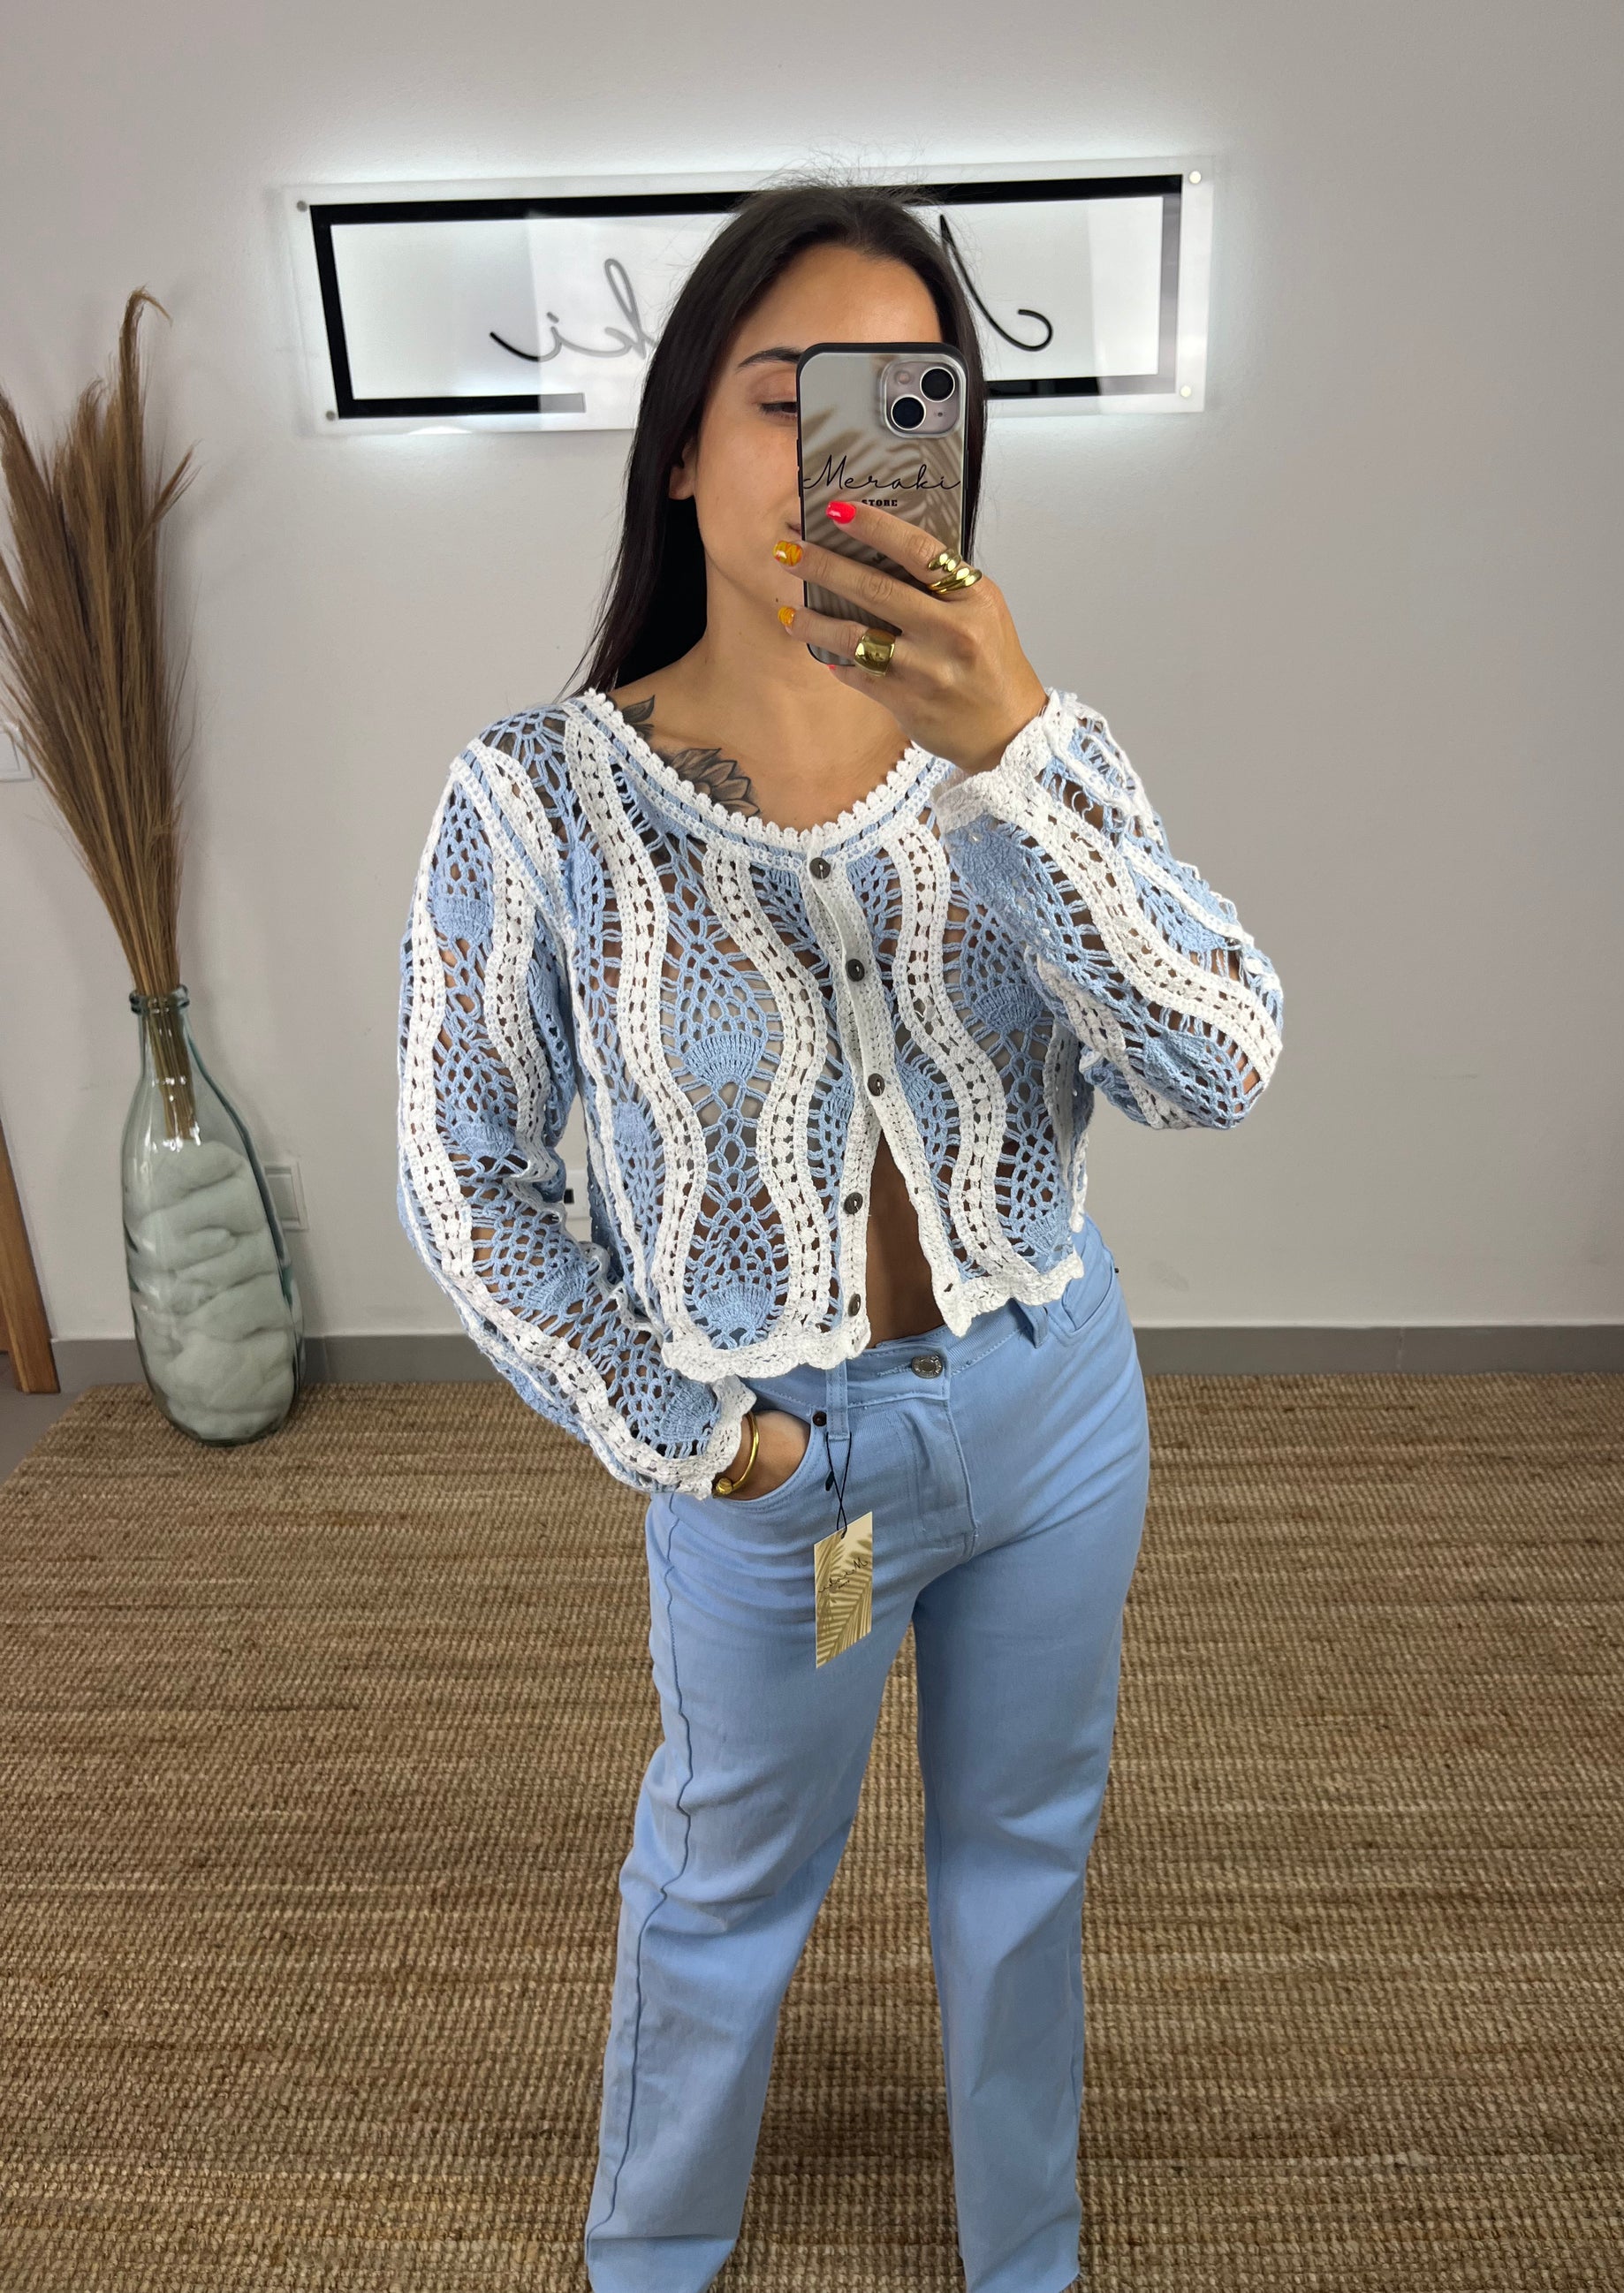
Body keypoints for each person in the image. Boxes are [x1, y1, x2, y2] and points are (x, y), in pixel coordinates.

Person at [396, 178, 1284, 2293]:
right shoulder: (539, 798)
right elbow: (466, 1168)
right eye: (779, 391)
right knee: (725, 1881)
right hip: (779, 1464)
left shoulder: (1032, 754)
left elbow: (1218, 1062)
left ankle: (1022, 2254)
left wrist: (1017, 759)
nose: (831, 447)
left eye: (896, 396)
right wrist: (708, 1440)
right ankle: (653, 2253)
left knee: (1025, 1862)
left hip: (1052, 1408)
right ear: (678, 446)